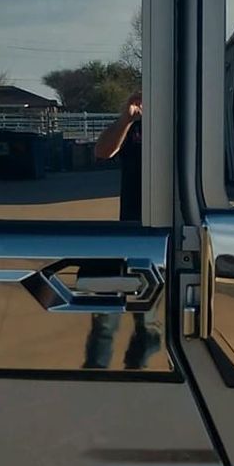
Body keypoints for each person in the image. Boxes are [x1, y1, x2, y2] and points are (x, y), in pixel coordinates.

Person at [83, 90, 160, 369]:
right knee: (105, 316)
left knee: (148, 322)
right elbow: (102, 151)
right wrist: (125, 119)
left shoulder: (182, 128)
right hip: (127, 233)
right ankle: (95, 377)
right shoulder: (133, 128)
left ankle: (137, 376)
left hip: (163, 237)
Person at [95, 91, 143, 223]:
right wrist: (126, 119)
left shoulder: (192, 125)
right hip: (135, 221)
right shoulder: (133, 125)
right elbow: (102, 152)